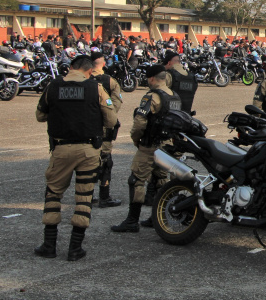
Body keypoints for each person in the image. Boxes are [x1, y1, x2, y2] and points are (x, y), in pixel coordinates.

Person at [34, 55, 117, 261]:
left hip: (61, 149)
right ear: (89, 71)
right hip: (88, 150)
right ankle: (74, 248)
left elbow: (40, 115)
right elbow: (111, 119)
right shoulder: (96, 88)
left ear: (70, 68)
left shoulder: (52, 86)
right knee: (84, 197)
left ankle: (49, 245)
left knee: (53, 194)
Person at [111, 65, 181, 233]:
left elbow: (140, 122)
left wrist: (136, 140)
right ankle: (156, 217)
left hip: (150, 145)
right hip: (167, 146)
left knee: (136, 180)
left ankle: (132, 220)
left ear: (151, 79)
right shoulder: (175, 97)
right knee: (160, 181)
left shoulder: (151, 97)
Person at [89, 52, 123, 208]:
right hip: (104, 128)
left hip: (86, 127)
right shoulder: (110, 81)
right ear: (103, 64)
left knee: (87, 161)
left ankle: (86, 195)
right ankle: (104, 196)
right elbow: (115, 105)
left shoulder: (83, 80)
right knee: (105, 161)